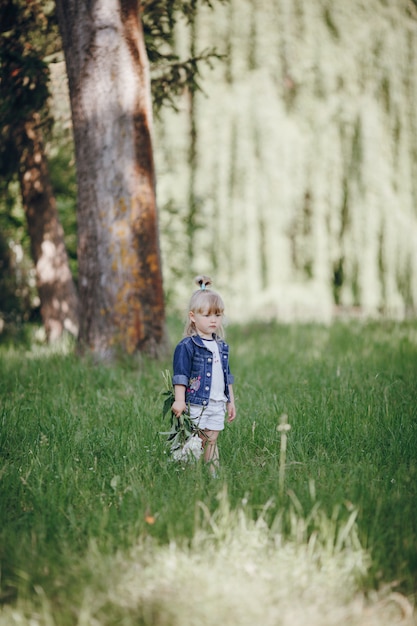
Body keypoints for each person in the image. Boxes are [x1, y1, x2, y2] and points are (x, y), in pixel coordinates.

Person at [172, 275, 236, 474]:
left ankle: (213, 476)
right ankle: (186, 471)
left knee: (213, 439)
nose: (213, 320)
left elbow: (227, 376)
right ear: (193, 316)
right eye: (207, 316)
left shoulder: (221, 346)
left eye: (217, 315)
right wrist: (179, 400)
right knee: (198, 439)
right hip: (197, 403)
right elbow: (180, 375)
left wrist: (230, 401)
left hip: (217, 402)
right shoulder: (188, 345)